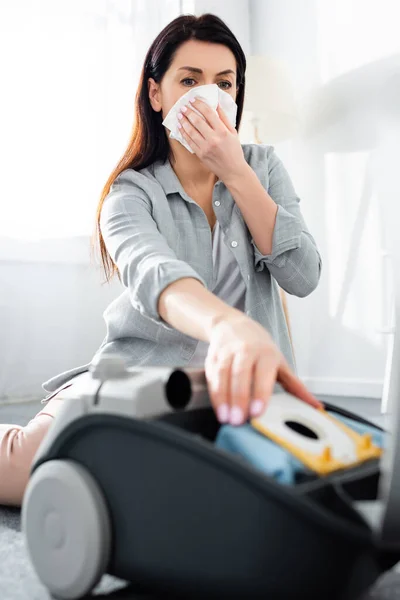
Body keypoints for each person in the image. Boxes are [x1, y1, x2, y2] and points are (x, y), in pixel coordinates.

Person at [0, 13, 322, 506]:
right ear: (157, 95)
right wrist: (228, 327)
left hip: (235, 393)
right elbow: (159, 280)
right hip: (138, 380)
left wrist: (236, 173)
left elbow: (303, 276)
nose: (208, 96)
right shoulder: (130, 193)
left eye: (224, 84)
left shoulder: (263, 168)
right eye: (189, 81)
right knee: (36, 472)